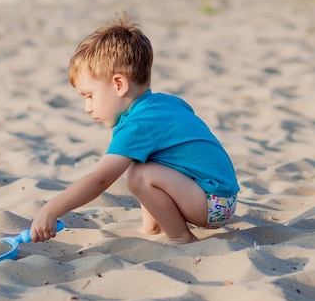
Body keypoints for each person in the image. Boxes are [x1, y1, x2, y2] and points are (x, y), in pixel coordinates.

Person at [30, 13, 239, 245]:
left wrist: (51, 210)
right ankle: (153, 226)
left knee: (139, 174)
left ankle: (180, 236)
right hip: (221, 196)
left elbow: (100, 179)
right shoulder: (163, 103)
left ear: (119, 84)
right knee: (144, 161)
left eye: (89, 96)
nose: (87, 107)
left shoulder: (138, 125)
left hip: (211, 204)